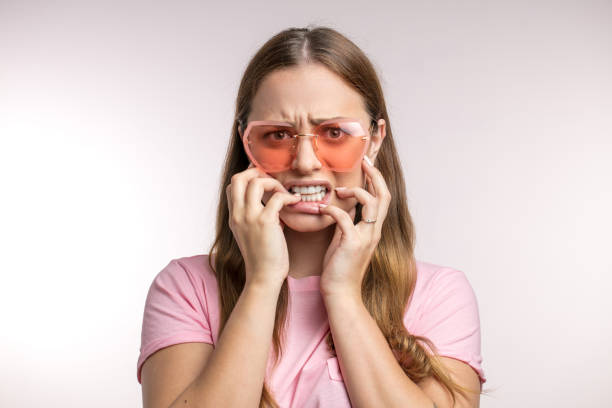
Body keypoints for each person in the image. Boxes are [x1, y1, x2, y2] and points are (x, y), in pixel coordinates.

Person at [137, 26, 486, 408]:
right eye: (278, 135)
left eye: (334, 132)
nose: (305, 163)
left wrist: (343, 294)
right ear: (246, 142)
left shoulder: (438, 294)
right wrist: (263, 281)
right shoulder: (186, 288)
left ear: (374, 139)